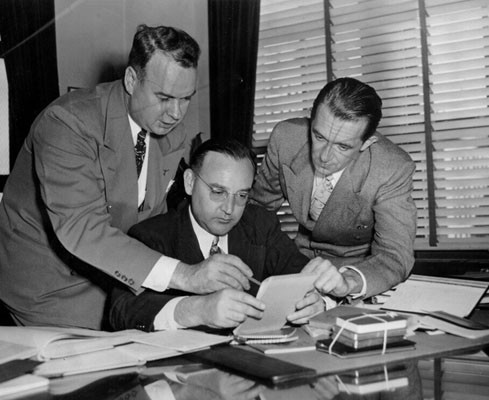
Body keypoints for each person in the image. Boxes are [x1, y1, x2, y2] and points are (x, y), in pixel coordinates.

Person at [0, 24, 228, 330]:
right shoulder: (66, 123)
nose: (176, 113)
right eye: (164, 97)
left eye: (186, 98)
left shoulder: (173, 131)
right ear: (132, 80)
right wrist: (187, 276)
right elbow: (83, 228)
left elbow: (153, 220)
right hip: (50, 285)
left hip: (116, 275)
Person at [109, 139, 324, 332]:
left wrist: (315, 301)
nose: (229, 209)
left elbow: (301, 276)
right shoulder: (150, 236)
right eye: (218, 192)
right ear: (190, 182)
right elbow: (121, 312)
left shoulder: (260, 224)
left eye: (241, 195)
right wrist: (198, 310)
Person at [251, 77, 417, 300]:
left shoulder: (391, 168)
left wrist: (349, 282)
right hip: (294, 266)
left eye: (343, 146)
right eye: (319, 136)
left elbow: (394, 255)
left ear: (367, 142)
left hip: (353, 275)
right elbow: (257, 211)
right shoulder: (286, 138)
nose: (324, 156)